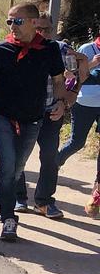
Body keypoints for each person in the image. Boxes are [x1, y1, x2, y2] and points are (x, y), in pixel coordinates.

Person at [0, 3, 67, 241]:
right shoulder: (1, 50)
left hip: (33, 119)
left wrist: (61, 102)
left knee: (17, 168)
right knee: (7, 165)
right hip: (2, 116)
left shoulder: (49, 50)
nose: (12, 26)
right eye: (9, 22)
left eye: (17, 21)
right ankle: (9, 218)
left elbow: (59, 80)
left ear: (33, 22)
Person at [12, 14, 84, 219]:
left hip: (51, 112)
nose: (43, 33)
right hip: (24, 113)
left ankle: (44, 201)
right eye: (39, 29)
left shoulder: (60, 49)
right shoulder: (17, 47)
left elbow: (74, 76)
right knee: (18, 157)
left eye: (47, 30)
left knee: (50, 158)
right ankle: (19, 198)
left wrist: (64, 104)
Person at [58, 30, 100, 213]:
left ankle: (96, 193)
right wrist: (92, 64)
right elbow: (71, 75)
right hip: (84, 102)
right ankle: (55, 163)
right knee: (77, 142)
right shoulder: (86, 48)